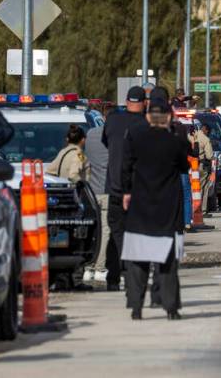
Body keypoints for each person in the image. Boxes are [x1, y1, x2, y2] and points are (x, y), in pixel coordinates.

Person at [121, 97, 188, 321]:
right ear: (169, 117)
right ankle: (171, 308)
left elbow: (125, 166)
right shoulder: (175, 142)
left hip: (141, 205)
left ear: (148, 116)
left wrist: (126, 192)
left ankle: (136, 306)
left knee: (138, 260)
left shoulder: (135, 138)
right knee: (167, 262)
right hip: (167, 207)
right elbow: (184, 167)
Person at [102, 85, 148, 291]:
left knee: (116, 233)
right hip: (138, 190)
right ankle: (130, 273)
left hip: (114, 188)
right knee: (132, 235)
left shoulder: (112, 120)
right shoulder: (146, 124)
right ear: (144, 103)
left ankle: (113, 277)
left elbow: (106, 142)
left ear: (127, 102)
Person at [84, 109, 111, 284]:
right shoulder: (113, 138)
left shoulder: (90, 134)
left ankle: (88, 267)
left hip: (90, 191)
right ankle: (100, 267)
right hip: (107, 190)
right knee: (105, 231)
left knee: (91, 231)